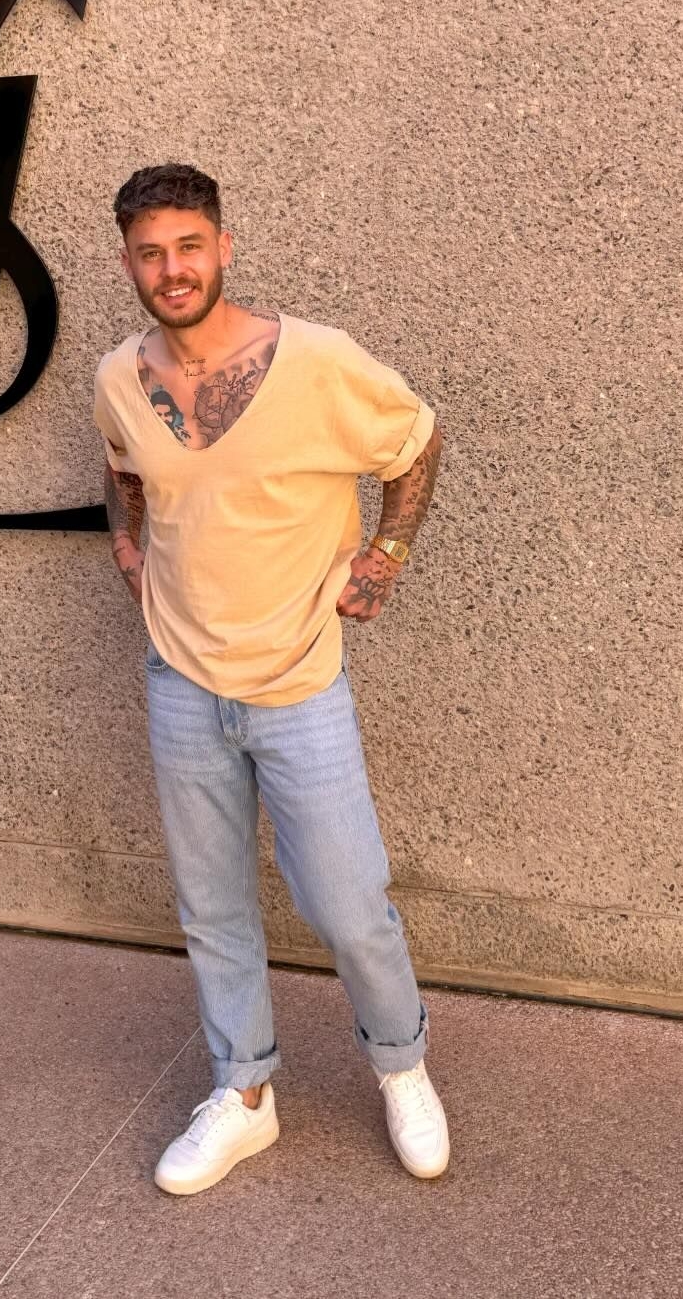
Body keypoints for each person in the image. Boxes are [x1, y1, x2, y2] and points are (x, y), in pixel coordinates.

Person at [93, 163, 449, 1195]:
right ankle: (245, 1092)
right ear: (129, 263)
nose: (172, 269)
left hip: (298, 680)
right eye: (150, 252)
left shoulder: (317, 361)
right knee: (211, 904)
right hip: (181, 680)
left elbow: (415, 440)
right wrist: (128, 546)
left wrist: (385, 556)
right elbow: (121, 465)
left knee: (348, 903)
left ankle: (402, 1067)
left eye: (188, 246)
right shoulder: (119, 376)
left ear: (223, 247)